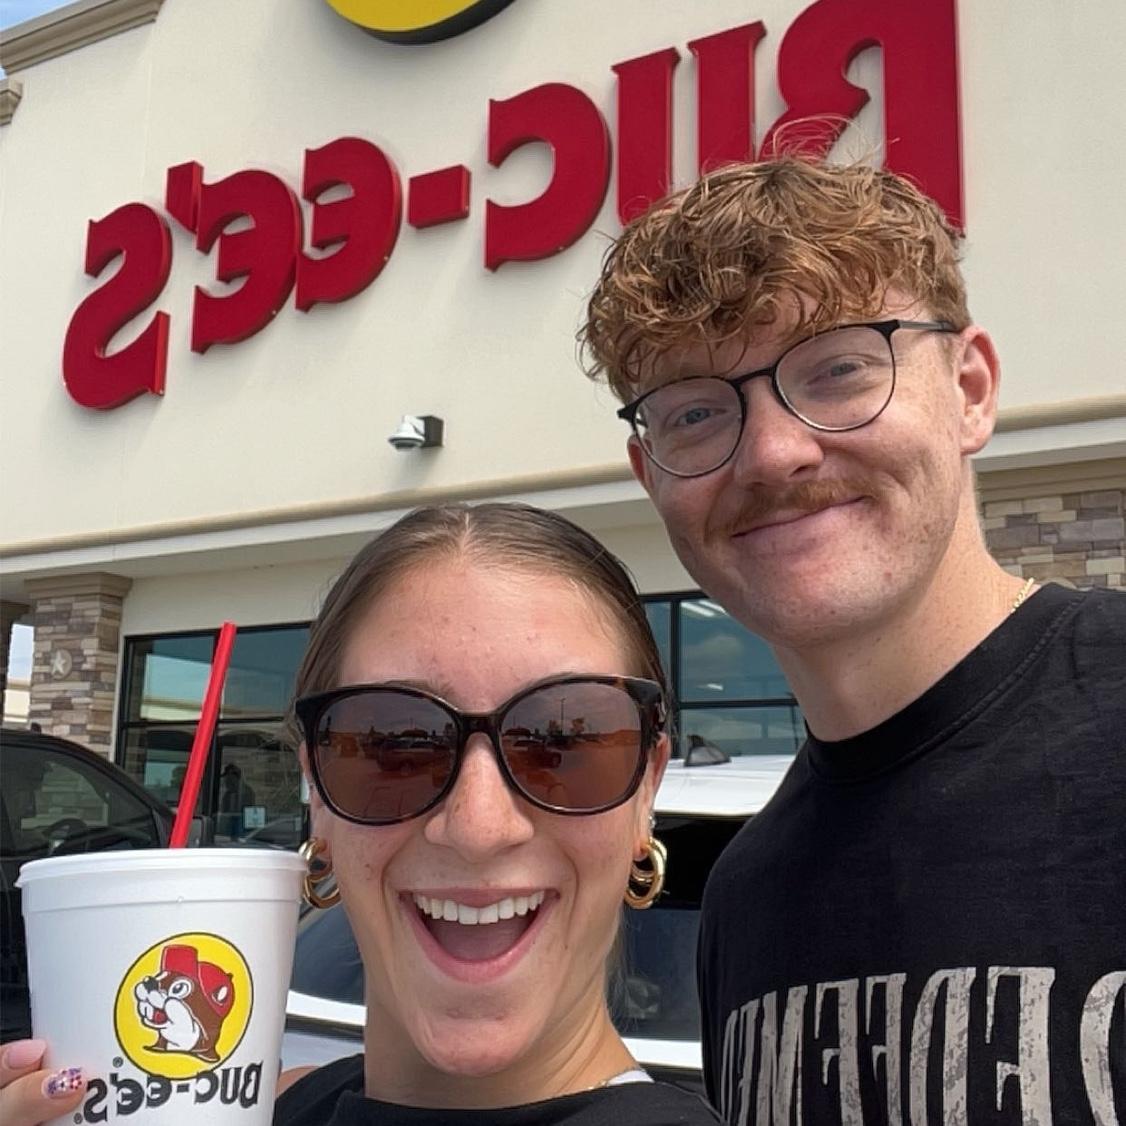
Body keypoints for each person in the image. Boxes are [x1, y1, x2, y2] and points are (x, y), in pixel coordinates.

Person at [580, 156, 1126, 1123]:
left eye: (837, 369)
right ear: (649, 469)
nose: (775, 451)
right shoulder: (746, 898)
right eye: (698, 412)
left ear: (969, 389)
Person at [0, 503, 719, 1126]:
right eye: (393, 743)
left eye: (564, 741)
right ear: (316, 792)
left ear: (645, 790)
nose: (477, 826)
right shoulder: (277, 1106)